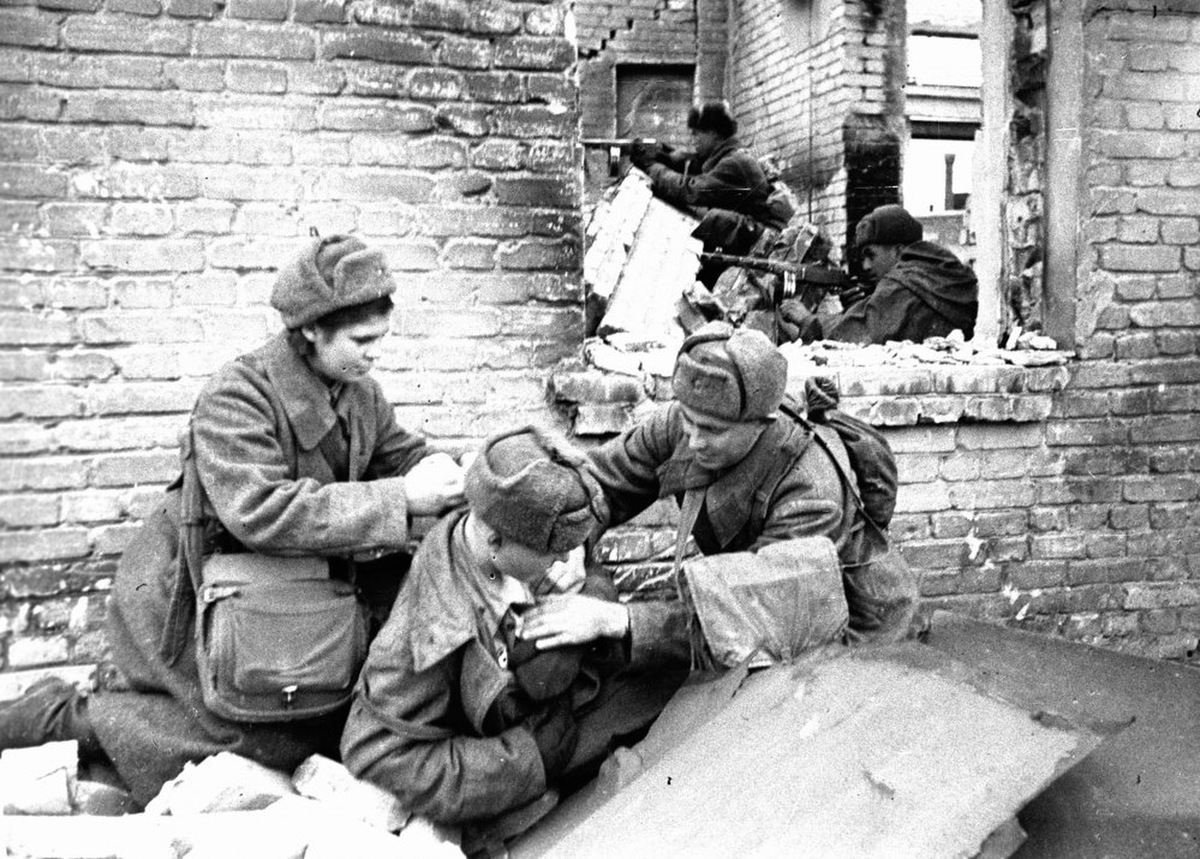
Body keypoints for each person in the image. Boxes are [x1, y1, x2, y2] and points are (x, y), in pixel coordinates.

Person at [0, 234, 466, 806]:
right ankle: (54, 718)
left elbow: (401, 455)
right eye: (362, 341)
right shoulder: (237, 395)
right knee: (242, 729)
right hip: (192, 592)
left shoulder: (358, 392)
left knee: (305, 712)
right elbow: (262, 511)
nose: (375, 354)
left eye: (380, 339)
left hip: (275, 592)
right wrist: (403, 498)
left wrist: (451, 472)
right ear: (312, 331)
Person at [518, 322, 915, 679]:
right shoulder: (686, 421)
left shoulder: (809, 488)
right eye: (688, 420)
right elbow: (602, 482)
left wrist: (618, 619)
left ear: (762, 425)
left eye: (712, 430)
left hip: (850, 635)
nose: (693, 440)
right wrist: (571, 543)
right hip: (754, 612)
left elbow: (763, 606)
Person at [341, 426, 670, 855]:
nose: (563, 557)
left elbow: (570, 522)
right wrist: (524, 759)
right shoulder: (430, 629)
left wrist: (589, 584)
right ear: (495, 539)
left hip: (568, 701)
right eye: (554, 550)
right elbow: (374, 754)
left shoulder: (503, 527)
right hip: (526, 752)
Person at [629, 102, 795, 288]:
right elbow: (695, 163)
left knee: (712, 221)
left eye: (697, 133)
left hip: (761, 245)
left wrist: (652, 166)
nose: (693, 139)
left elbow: (690, 190)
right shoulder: (730, 155)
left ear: (714, 134)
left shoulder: (734, 163)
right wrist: (665, 155)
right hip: (751, 237)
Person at [779, 203, 979, 344]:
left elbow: (855, 334)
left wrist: (807, 320)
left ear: (898, 250)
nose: (866, 266)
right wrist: (864, 305)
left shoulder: (903, 282)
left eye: (871, 255)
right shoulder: (939, 271)